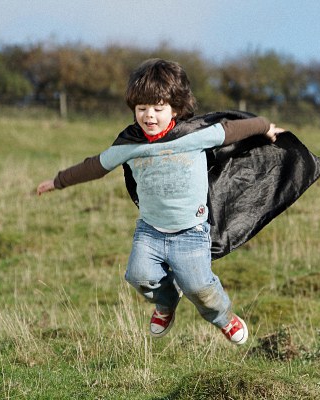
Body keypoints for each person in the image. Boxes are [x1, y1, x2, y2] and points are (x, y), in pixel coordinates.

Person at [36, 58, 285, 345]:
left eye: (158, 108)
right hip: (150, 230)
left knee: (199, 287)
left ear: (176, 109)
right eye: (142, 109)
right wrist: (58, 181)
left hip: (191, 233)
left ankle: (224, 318)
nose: (149, 116)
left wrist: (265, 127)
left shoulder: (195, 136)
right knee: (138, 276)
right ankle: (166, 305)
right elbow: (95, 166)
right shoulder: (130, 145)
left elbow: (233, 129)